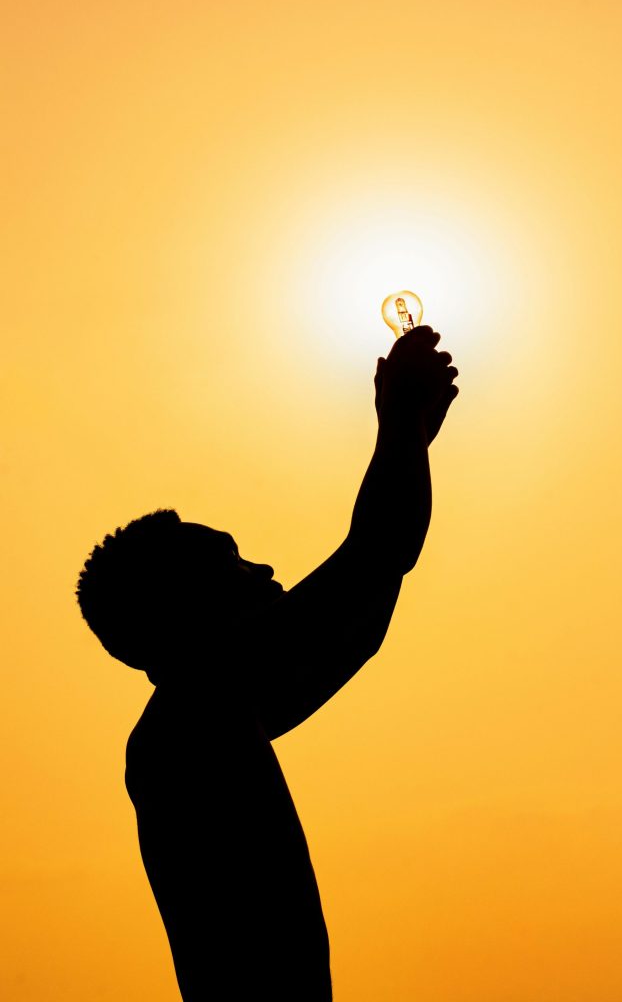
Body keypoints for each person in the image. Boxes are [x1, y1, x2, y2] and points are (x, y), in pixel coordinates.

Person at [76, 326, 458, 1000]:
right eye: (230, 559)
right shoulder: (194, 717)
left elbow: (361, 615)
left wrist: (409, 441)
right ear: (185, 605)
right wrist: (398, 427)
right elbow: (374, 558)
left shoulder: (196, 720)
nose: (263, 568)